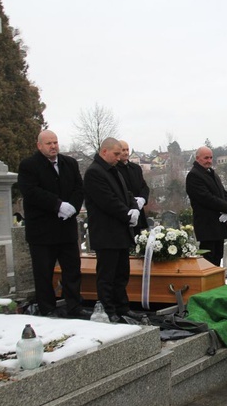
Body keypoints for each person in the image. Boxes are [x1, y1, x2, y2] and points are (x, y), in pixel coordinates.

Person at [17, 130, 90, 319]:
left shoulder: (69, 163)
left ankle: (74, 305)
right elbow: (31, 192)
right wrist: (57, 205)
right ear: (39, 145)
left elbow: (78, 188)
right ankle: (47, 308)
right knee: (43, 272)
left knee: (72, 269)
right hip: (42, 230)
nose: (53, 146)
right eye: (48, 143)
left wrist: (72, 206)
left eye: (55, 142)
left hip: (66, 228)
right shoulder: (29, 165)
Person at [84, 138, 141, 322]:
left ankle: (122, 307)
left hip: (120, 232)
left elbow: (127, 193)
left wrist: (133, 208)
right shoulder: (94, 172)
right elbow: (107, 201)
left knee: (121, 274)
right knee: (107, 275)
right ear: (104, 152)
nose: (119, 157)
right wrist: (127, 214)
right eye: (116, 154)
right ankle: (108, 310)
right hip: (106, 232)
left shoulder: (113, 169)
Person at [185, 146, 227, 267]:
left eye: (211, 158)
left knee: (218, 255)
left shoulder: (211, 173)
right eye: (206, 158)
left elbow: (223, 192)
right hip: (207, 224)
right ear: (198, 158)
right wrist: (226, 208)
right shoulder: (194, 175)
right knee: (209, 258)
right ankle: (209, 286)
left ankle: (216, 284)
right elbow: (205, 198)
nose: (209, 160)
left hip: (218, 222)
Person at [116, 140, 150, 236]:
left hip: (138, 209)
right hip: (125, 210)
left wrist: (143, 199)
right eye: (123, 150)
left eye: (127, 150)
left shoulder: (135, 168)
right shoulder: (114, 169)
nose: (126, 153)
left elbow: (144, 186)